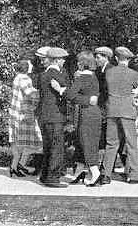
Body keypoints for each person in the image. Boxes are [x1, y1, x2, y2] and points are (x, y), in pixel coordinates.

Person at [51, 51, 101, 186]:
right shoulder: (93, 77)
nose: (77, 63)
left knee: (86, 142)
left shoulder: (82, 78)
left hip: (86, 114)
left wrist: (60, 89)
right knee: (82, 142)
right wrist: (88, 100)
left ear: (81, 63)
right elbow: (91, 97)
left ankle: (95, 172)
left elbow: (70, 95)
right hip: (94, 113)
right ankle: (79, 171)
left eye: (79, 62)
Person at [101, 47, 138, 184]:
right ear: (129, 59)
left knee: (111, 143)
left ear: (116, 58)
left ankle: (106, 174)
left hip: (112, 110)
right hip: (128, 111)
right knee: (131, 144)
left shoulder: (109, 72)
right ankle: (133, 176)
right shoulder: (134, 74)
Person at [36, 47, 70, 188]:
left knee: (48, 147)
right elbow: (70, 91)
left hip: (44, 115)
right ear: (56, 60)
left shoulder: (43, 75)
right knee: (57, 147)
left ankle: (45, 176)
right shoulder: (58, 75)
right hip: (55, 116)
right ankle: (53, 178)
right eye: (62, 60)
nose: (64, 62)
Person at [8, 59, 42, 177]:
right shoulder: (24, 79)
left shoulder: (17, 77)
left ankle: (14, 166)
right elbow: (30, 93)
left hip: (15, 112)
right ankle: (20, 164)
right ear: (26, 67)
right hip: (24, 113)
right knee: (36, 142)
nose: (32, 66)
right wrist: (42, 93)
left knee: (17, 142)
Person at [94, 46, 113, 158]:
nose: (96, 60)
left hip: (108, 107)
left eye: (98, 57)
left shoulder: (110, 70)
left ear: (106, 57)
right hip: (102, 107)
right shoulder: (98, 71)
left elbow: (107, 90)